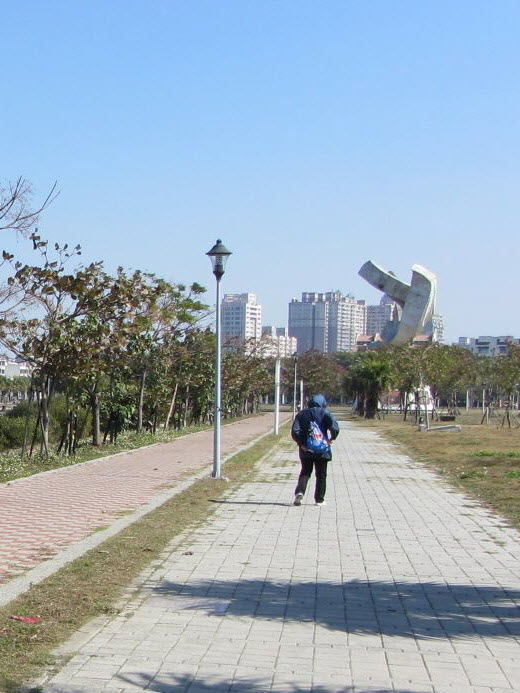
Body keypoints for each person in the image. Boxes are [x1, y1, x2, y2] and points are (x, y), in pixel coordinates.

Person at [291, 393, 339, 506]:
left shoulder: (302, 414)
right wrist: (332, 438)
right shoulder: (325, 413)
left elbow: (295, 431)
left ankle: (299, 492)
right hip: (322, 449)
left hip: (306, 449)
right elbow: (335, 427)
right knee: (321, 475)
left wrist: (301, 443)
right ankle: (319, 499)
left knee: (305, 472)